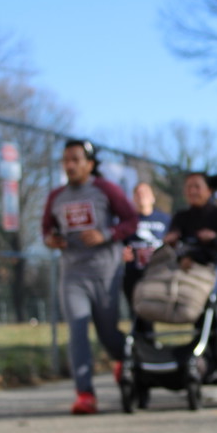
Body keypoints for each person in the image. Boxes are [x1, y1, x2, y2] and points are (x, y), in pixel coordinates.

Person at [42, 139, 138, 415]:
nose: (69, 165)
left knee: (108, 333)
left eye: (75, 160)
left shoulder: (106, 190)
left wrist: (105, 234)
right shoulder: (56, 196)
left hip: (105, 272)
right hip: (73, 274)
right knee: (78, 330)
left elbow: (131, 221)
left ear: (90, 164)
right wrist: (51, 240)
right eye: (66, 160)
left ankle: (125, 359)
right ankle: (85, 394)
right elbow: (46, 230)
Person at [162, 172, 217, 353]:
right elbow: (174, 242)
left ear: (209, 190)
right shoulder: (181, 217)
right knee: (202, 325)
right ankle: (206, 358)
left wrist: (214, 237)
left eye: (197, 186)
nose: (192, 191)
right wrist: (172, 243)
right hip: (194, 281)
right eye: (189, 187)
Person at [122, 182, 172, 338]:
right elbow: (120, 245)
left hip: (158, 273)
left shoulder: (165, 219)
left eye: (145, 192)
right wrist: (123, 253)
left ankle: (152, 340)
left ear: (152, 198)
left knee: (152, 309)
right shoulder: (127, 221)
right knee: (137, 311)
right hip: (134, 273)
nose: (141, 196)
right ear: (133, 198)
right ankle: (140, 342)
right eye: (138, 193)